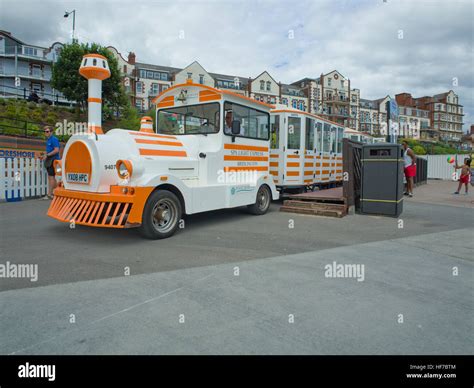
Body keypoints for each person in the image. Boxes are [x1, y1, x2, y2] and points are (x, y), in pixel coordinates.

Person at [40, 126, 60, 199]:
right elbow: (48, 150)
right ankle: (55, 193)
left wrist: (47, 155)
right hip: (49, 159)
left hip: (53, 160)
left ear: (51, 132)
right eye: (45, 131)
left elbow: (56, 150)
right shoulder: (48, 140)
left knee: (51, 177)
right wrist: (44, 155)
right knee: (51, 177)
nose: (46, 133)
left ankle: (49, 194)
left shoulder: (54, 139)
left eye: (47, 131)